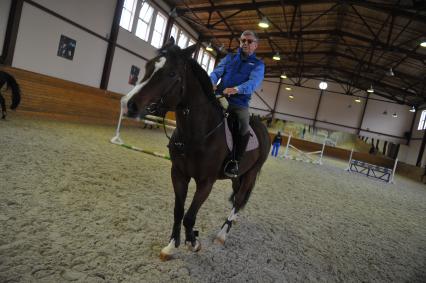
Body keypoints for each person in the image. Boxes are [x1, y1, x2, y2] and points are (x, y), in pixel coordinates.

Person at [210, 30, 265, 178]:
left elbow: (253, 83)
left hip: (238, 103)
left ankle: (235, 161)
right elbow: (217, 72)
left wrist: (236, 89)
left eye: (249, 41)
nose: (245, 43)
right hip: (219, 96)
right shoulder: (229, 58)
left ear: (255, 45)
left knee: (244, 127)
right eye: (242, 40)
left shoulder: (258, 65)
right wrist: (211, 81)